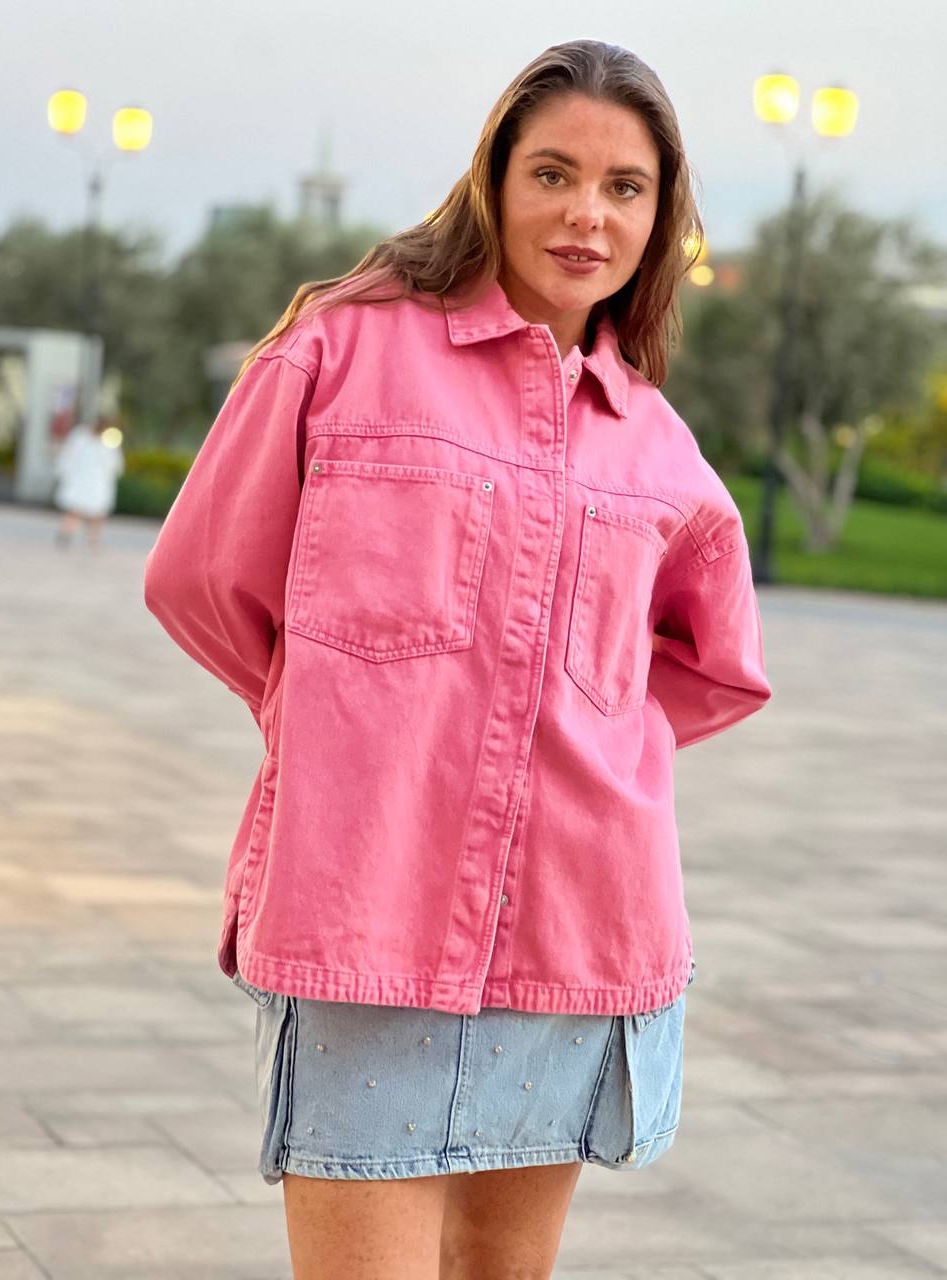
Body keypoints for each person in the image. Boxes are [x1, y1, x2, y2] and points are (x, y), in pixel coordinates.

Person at [143, 38, 772, 1280]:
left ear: (660, 219)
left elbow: (718, 663)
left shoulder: (655, 443)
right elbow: (203, 576)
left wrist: (592, 728)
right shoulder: (343, 349)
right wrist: (338, 717)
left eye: (625, 187)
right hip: (367, 915)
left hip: (574, 931)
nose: (587, 213)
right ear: (493, 179)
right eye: (554, 173)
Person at [52, 418, 124, 552]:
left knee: (86, 512)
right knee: (84, 512)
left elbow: (67, 457)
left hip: (92, 482)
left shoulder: (83, 438)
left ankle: (88, 538)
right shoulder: (83, 438)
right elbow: (115, 466)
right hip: (89, 482)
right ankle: (84, 538)